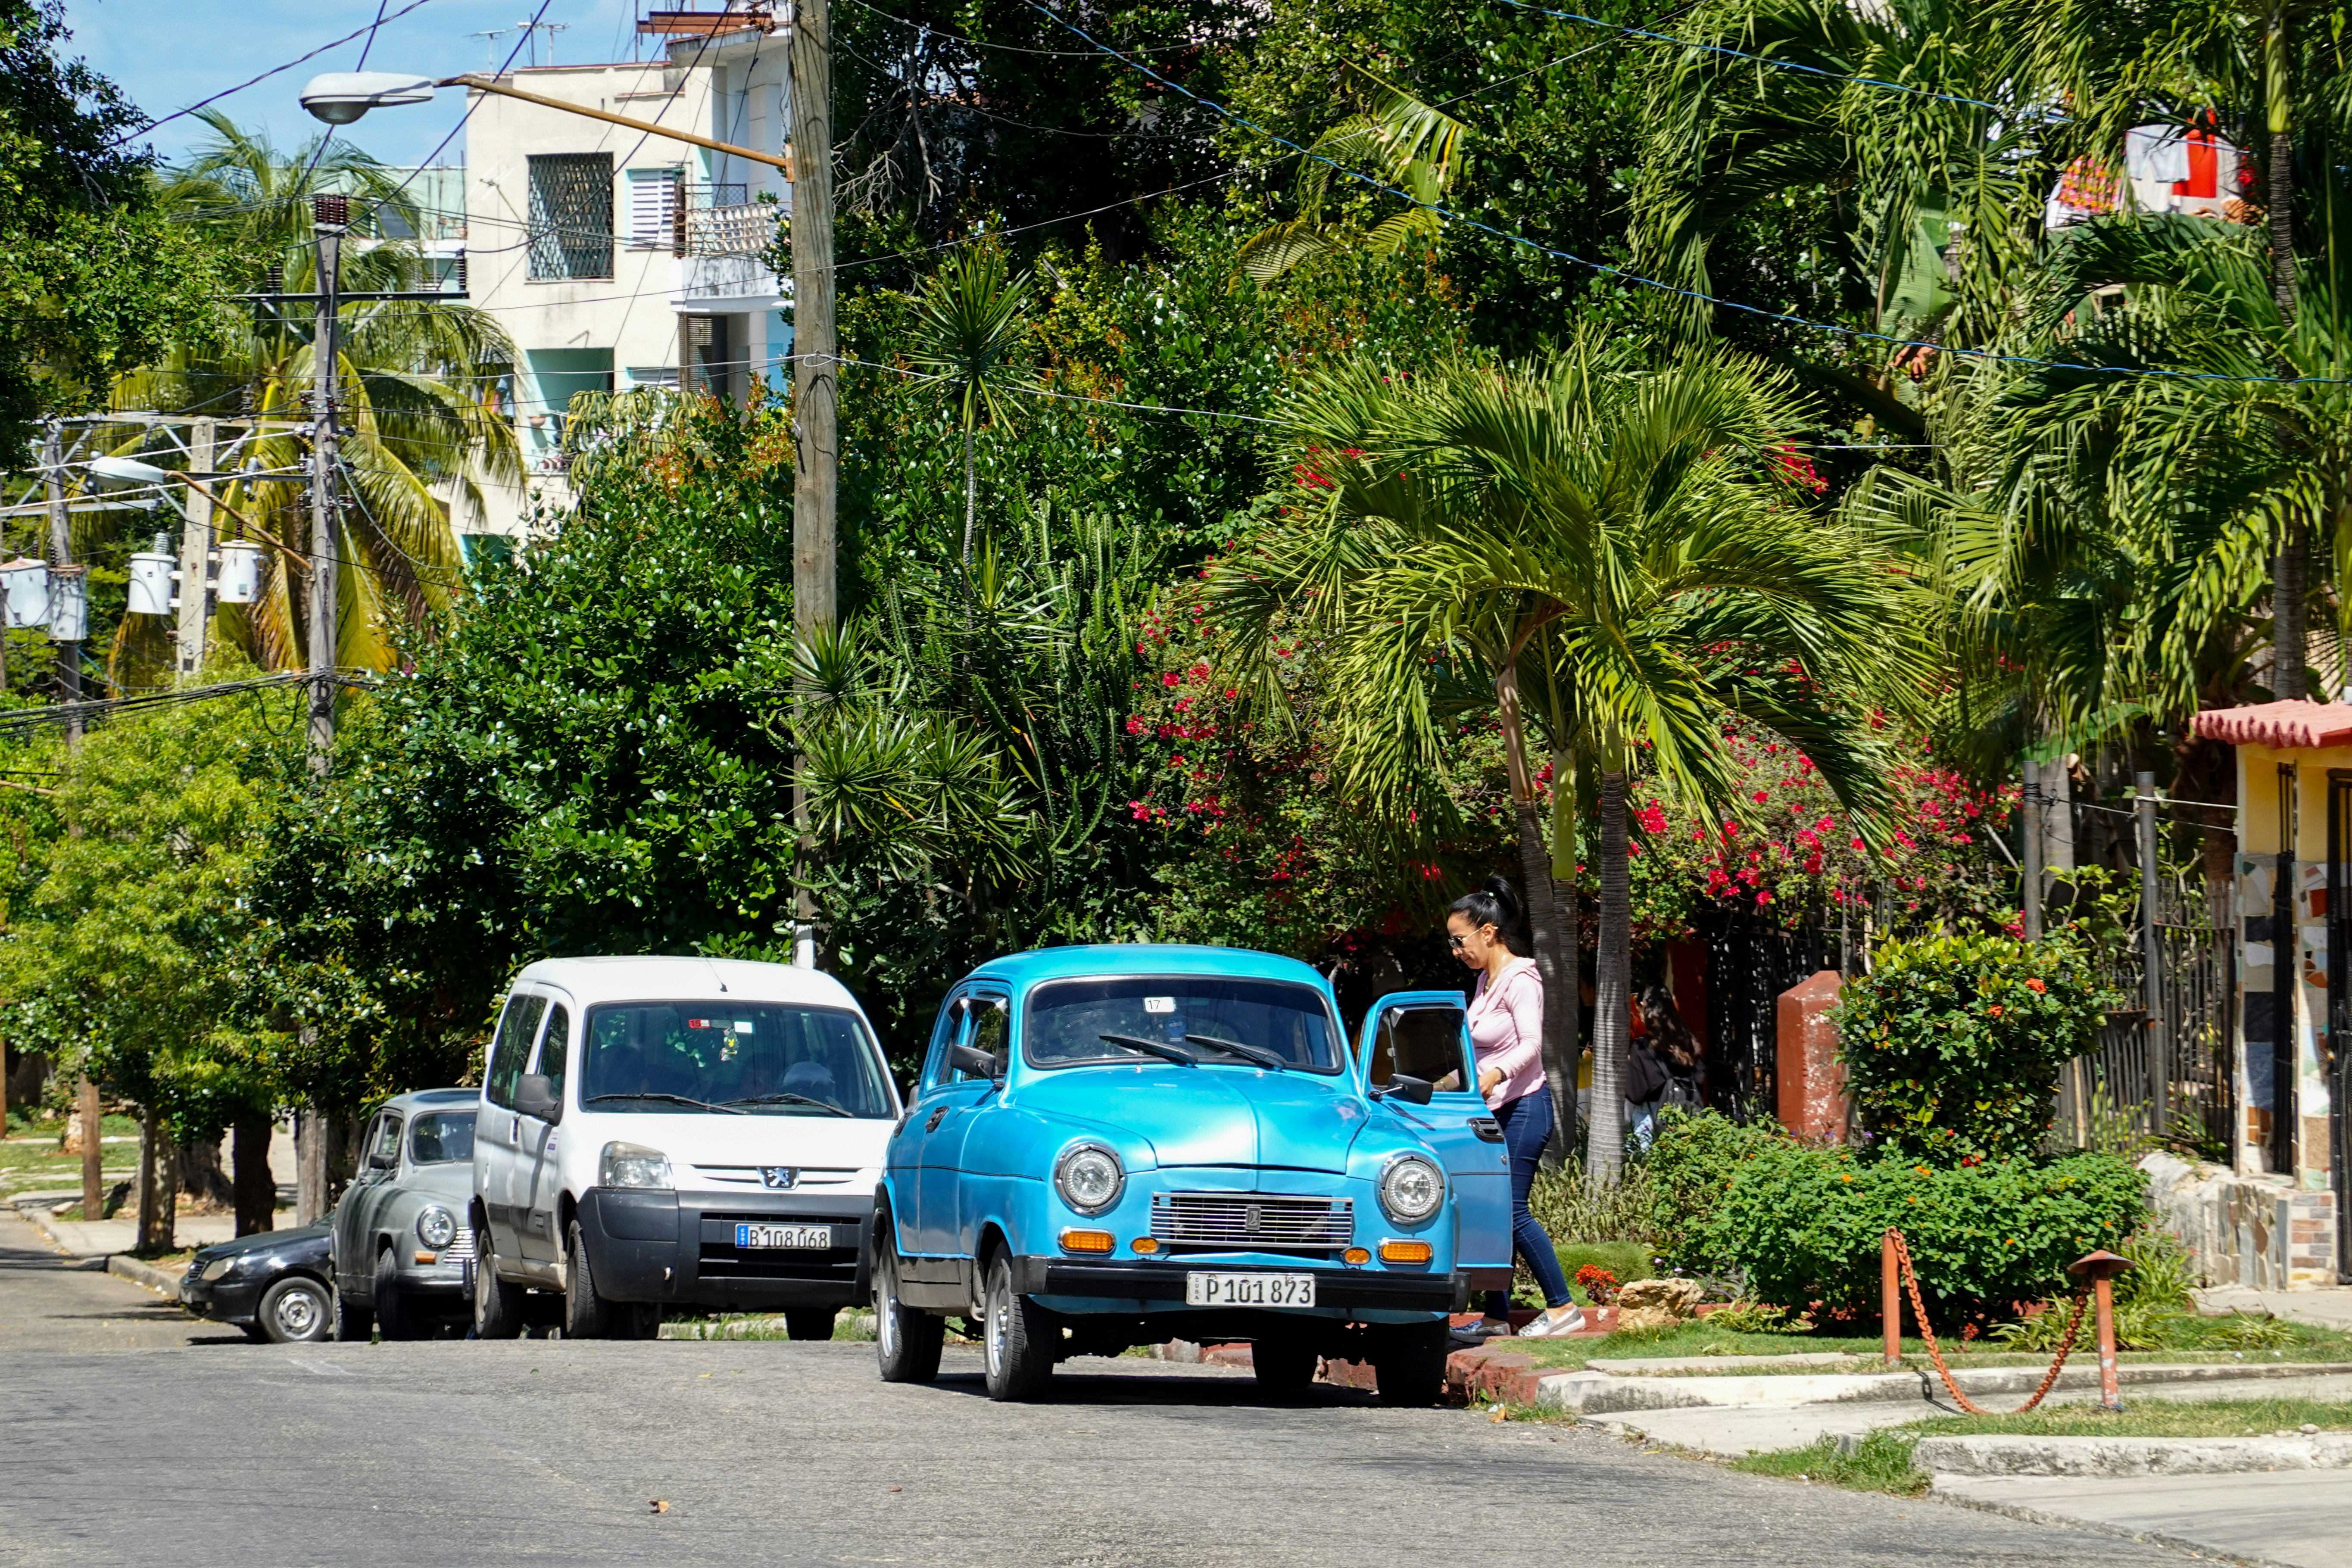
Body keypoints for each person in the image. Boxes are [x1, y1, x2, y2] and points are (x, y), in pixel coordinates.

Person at [1439, 876, 1582, 1340]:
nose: (1456, 950)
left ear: (1488, 931)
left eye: (1459, 940)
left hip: (1524, 1108)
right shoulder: (1485, 980)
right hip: (1493, 1110)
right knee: (1489, 1210)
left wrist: (1495, 1076)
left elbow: (1532, 1045)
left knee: (1510, 1211)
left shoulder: (1522, 978)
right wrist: (1448, 1083)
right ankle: (1498, 1317)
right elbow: (1480, 1051)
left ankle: (1562, 1308)